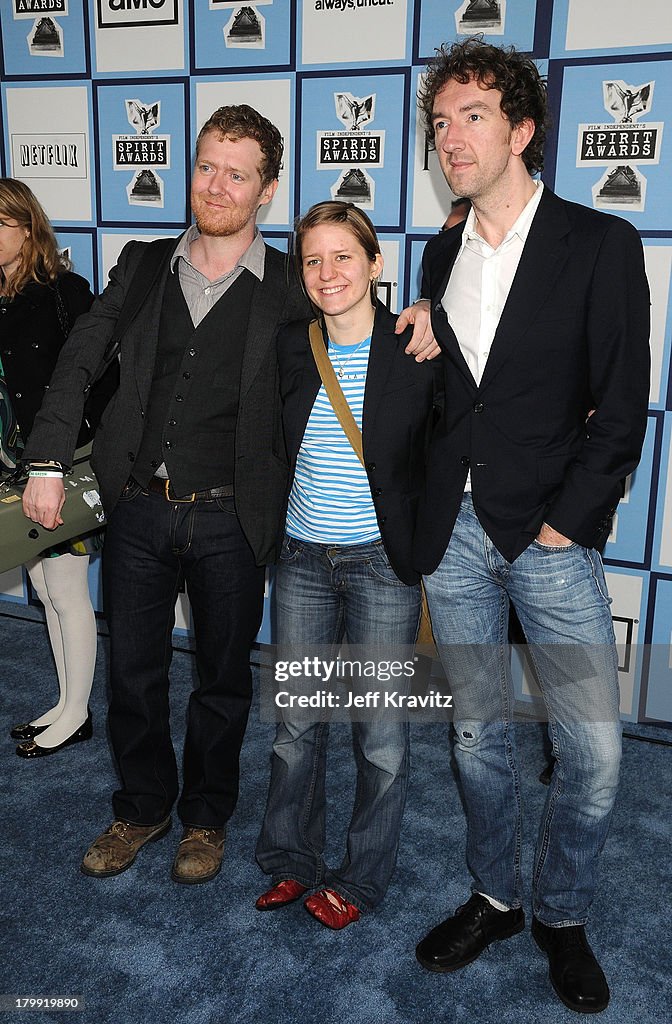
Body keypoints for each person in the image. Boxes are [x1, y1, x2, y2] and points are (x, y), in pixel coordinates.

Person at [22, 107, 433, 886]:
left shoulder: (292, 282)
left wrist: (425, 311)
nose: (216, 184)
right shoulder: (143, 265)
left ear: (266, 190)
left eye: (236, 173)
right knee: (134, 674)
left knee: (223, 679)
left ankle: (206, 818)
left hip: (233, 518)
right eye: (207, 165)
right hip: (139, 508)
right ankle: (142, 806)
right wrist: (46, 456)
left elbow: (358, 308)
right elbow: (79, 357)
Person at [410, 39, 650, 1014]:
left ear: (522, 128)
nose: (449, 137)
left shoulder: (598, 242)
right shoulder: (439, 250)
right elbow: (456, 398)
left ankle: (562, 912)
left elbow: (623, 405)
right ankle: (496, 894)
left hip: (550, 540)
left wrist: (564, 527)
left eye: (471, 115)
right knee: (477, 737)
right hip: (456, 541)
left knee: (593, 751)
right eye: (438, 121)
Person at [255, 201, 440, 929]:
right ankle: (289, 860)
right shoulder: (289, 346)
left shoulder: (417, 347)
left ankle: (360, 879)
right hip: (300, 558)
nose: (328, 273)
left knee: (381, 734)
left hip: (381, 567)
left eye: (343, 257)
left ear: (375, 264)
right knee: (296, 724)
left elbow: (448, 447)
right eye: (312, 260)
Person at [0, 178, 98, 759]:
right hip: (12, 466)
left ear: (28, 227)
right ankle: (66, 704)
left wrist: (56, 463)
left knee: (65, 588)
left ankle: (78, 711)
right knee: (42, 586)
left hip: (56, 467)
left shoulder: (67, 291)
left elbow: (92, 380)